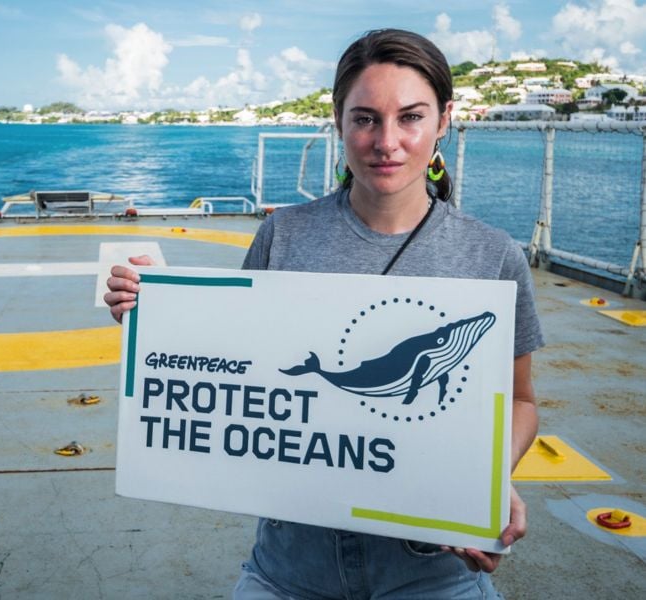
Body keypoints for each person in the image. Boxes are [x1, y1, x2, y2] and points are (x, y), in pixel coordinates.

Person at [105, 28, 543, 600]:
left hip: (430, 574)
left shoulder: (493, 255)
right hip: (290, 567)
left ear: (444, 121)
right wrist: (152, 313)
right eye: (365, 119)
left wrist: (486, 480)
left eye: (411, 117)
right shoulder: (282, 234)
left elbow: (522, 400)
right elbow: (236, 360)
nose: (387, 141)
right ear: (338, 121)